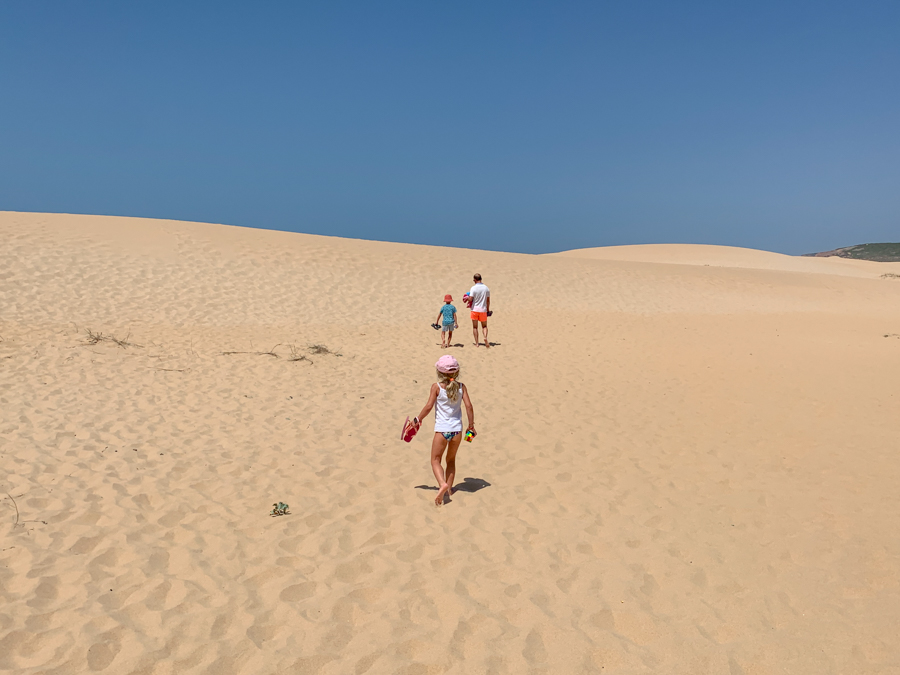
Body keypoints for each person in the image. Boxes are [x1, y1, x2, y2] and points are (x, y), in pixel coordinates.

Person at [411, 355, 476, 506]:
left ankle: (442, 483)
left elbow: (428, 407)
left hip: (442, 431)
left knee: (435, 460)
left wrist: (417, 419)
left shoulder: (436, 387)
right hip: (457, 432)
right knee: (451, 460)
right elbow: (469, 406)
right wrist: (471, 426)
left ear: (439, 372)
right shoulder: (461, 387)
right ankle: (449, 490)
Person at [468, 273, 491, 348]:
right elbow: (488, 301)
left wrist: (466, 298)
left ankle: (477, 343)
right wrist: (487, 310)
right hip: (483, 309)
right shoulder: (486, 288)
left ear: (474, 280)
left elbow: (470, 299)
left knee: (475, 327)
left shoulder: (473, 288)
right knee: (484, 326)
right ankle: (485, 337)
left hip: (475, 309)